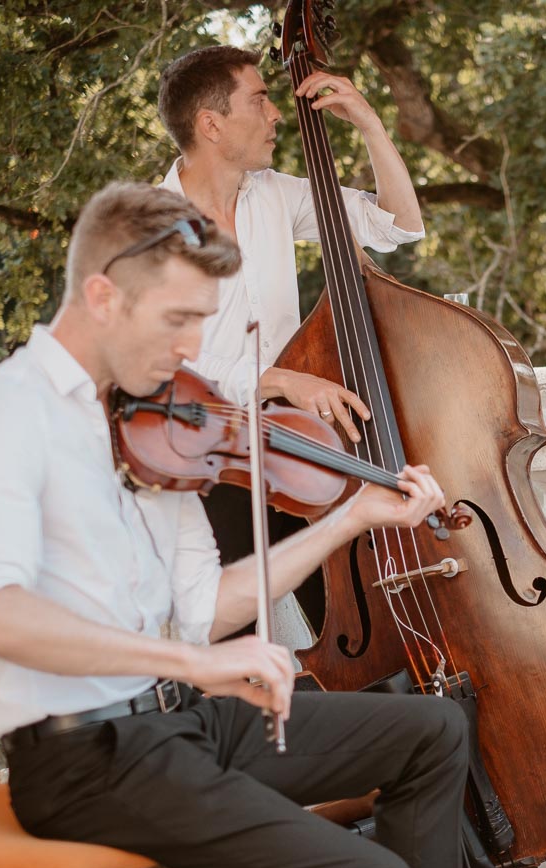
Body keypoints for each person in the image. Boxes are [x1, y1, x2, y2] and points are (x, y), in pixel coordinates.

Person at [0, 181, 466, 868]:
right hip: (85, 755)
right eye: (179, 319)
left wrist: (352, 517)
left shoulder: (156, 424)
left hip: (181, 723)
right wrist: (189, 664)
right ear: (102, 295)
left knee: (434, 732)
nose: (193, 349)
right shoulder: (6, 414)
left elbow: (205, 608)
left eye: (203, 322)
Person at [155, 45, 425, 634]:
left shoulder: (273, 193)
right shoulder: (151, 225)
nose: (277, 113)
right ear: (211, 124)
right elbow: (158, 362)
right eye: (259, 99)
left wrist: (369, 124)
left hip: (295, 448)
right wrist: (276, 377)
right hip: (211, 458)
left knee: (354, 619)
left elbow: (397, 226)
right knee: (234, 639)